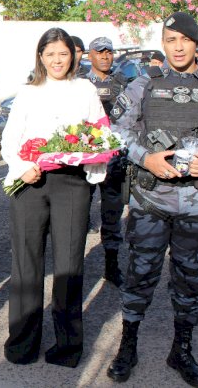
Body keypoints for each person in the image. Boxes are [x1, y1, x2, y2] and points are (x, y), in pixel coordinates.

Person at [106, 12, 198, 386]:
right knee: (140, 275)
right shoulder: (142, 85)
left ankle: (182, 350)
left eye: (184, 40)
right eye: (170, 40)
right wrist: (146, 157)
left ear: (196, 44)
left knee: (190, 280)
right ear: (164, 43)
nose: (177, 47)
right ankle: (128, 346)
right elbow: (115, 133)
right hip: (150, 200)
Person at [1, 28, 105, 368]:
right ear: (40, 57)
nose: (57, 60)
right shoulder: (28, 92)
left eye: (63, 53)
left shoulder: (86, 89)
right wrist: (21, 166)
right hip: (31, 183)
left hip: (72, 185)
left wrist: (91, 161)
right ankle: (22, 343)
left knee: (69, 266)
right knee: (26, 265)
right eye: (50, 54)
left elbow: (99, 136)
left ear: (73, 56)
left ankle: (68, 346)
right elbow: (10, 138)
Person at [81, 36, 127, 286]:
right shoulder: (80, 83)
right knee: (78, 212)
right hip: (86, 158)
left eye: (109, 52)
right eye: (100, 52)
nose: (105, 56)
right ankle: (75, 265)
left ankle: (111, 265)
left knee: (112, 214)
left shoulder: (124, 83)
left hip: (113, 160)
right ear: (91, 55)